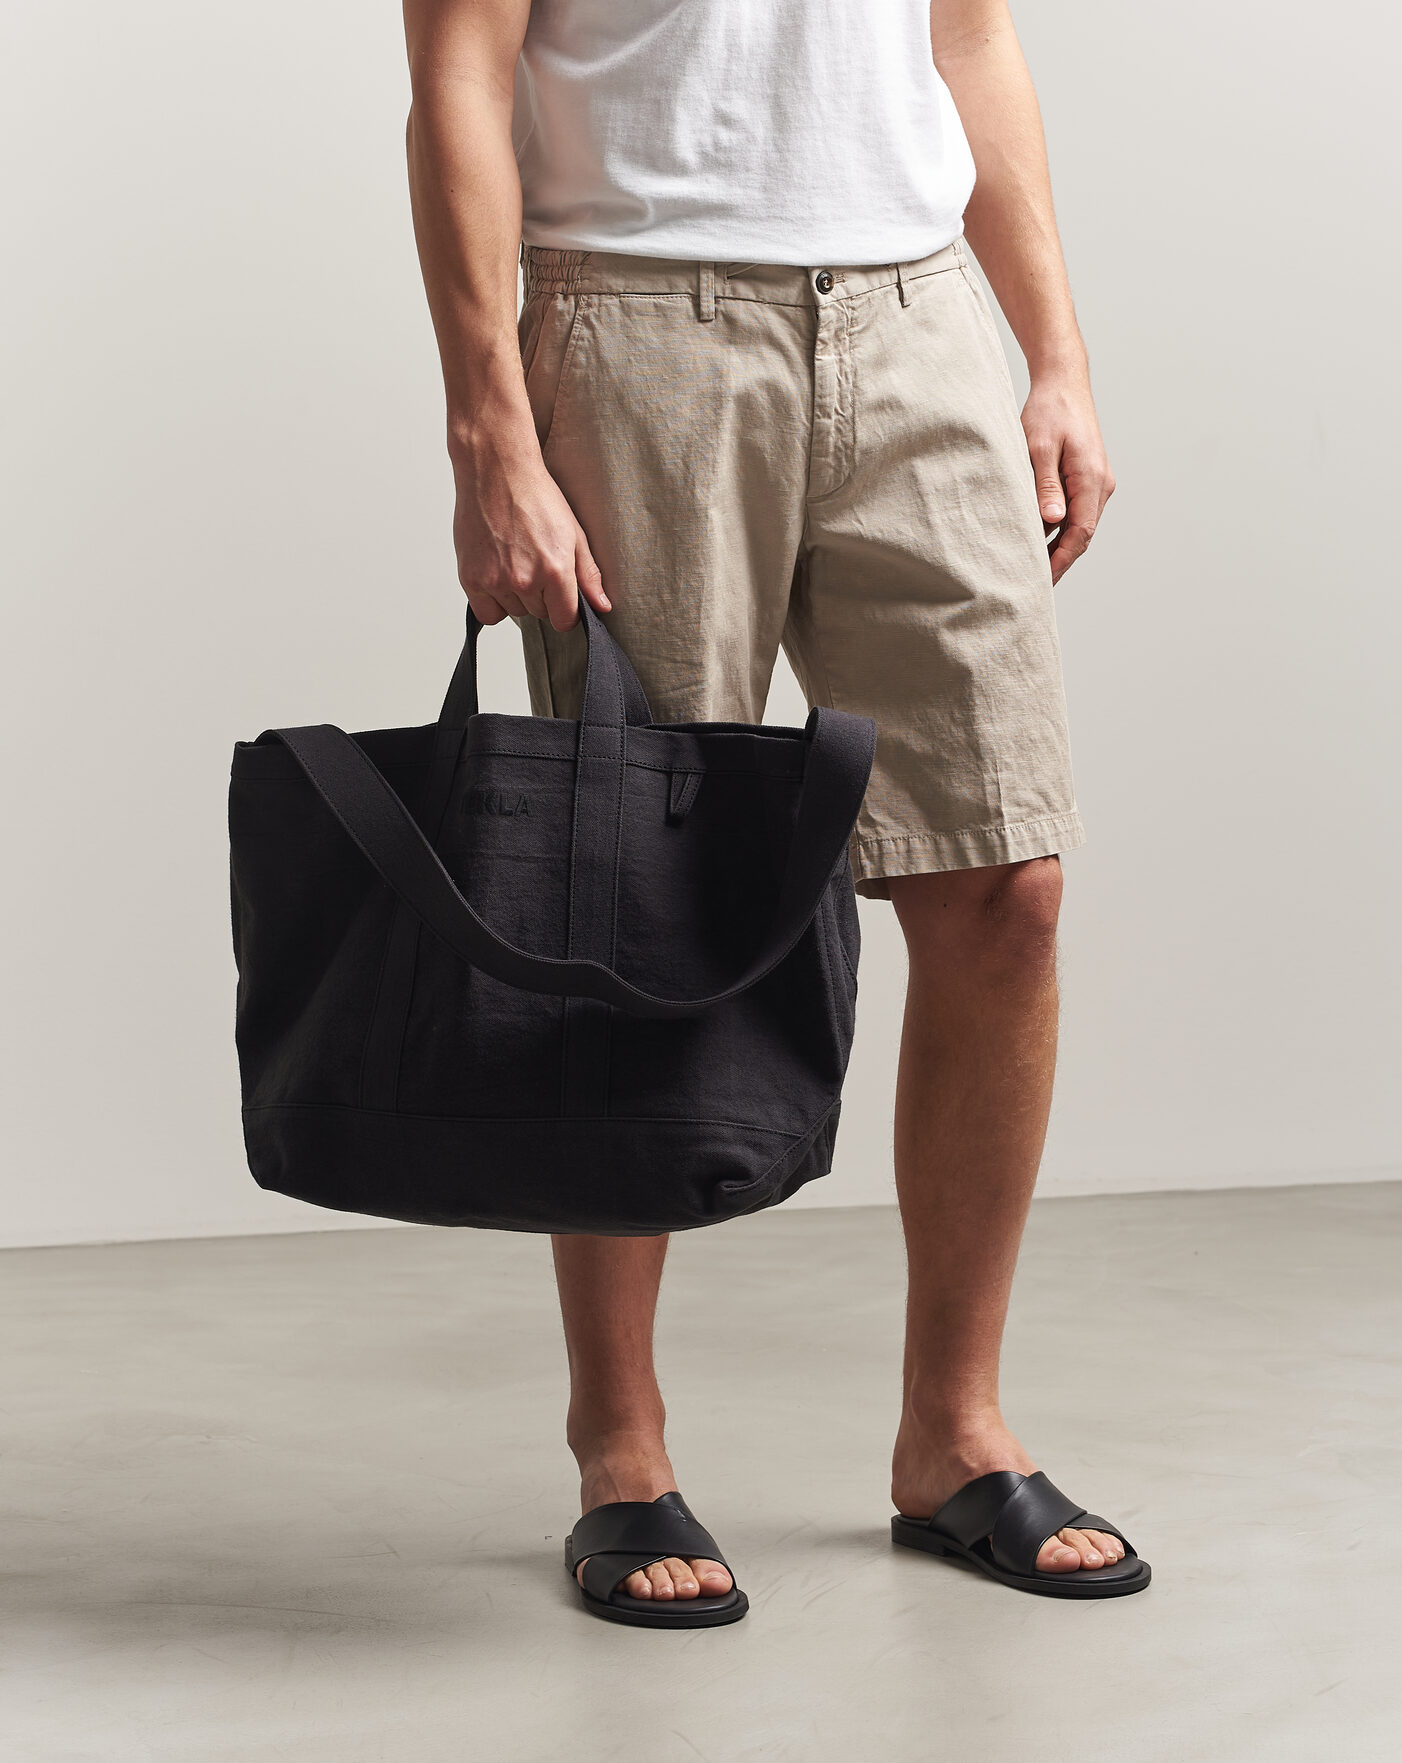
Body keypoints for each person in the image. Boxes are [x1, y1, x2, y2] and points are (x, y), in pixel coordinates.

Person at [401, 0, 1149, 1622]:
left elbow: (966, 37)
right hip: (637, 319)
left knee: (1005, 882)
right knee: (634, 896)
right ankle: (620, 1448)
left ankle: (951, 1437)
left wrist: (1054, 354)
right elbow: (458, 72)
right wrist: (487, 426)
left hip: (916, 316)